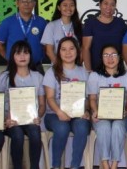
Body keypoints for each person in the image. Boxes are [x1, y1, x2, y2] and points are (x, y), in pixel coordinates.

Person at [0, 40, 45, 169]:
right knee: (17, 135)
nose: (22, 56)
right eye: (18, 53)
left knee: (35, 132)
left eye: (26, 53)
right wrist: (5, 120)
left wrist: (38, 116)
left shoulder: (38, 77)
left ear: (30, 55)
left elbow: (42, 104)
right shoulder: (4, 77)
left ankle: (35, 167)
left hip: (30, 120)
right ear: (12, 56)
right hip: (11, 121)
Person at [43, 37, 90, 168]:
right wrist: (59, 112)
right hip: (54, 114)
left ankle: (75, 165)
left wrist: (85, 110)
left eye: (71, 49)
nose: (68, 53)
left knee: (82, 127)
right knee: (62, 128)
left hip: (77, 114)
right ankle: (56, 165)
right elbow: (50, 98)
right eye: (63, 49)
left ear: (77, 51)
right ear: (59, 53)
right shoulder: (51, 72)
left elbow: (86, 98)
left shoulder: (83, 72)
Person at [88, 44, 127, 169]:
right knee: (104, 127)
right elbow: (92, 99)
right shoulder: (95, 76)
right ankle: (105, 163)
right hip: (101, 115)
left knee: (118, 127)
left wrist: (126, 111)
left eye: (113, 55)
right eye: (106, 55)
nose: (110, 58)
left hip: (121, 116)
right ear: (101, 58)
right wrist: (95, 111)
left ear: (119, 57)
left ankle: (114, 164)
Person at [0, 0, 47, 73]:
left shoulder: (41, 22)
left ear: (34, 3)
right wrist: (9, 57)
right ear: (17, 3)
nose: (26, 4)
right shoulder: (7, 22)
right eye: (23, 1)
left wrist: (40, 56)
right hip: (14, 67)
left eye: (29, 1)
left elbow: (46, 45)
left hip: (36, 66)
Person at [82, 0, 127, 71]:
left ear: (115, 7)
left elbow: (126, 47)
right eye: (105, 3)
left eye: (112, 5)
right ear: (100, 5)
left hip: (116, 70)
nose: (109, 7)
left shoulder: (120, 23)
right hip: (96, 70)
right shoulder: (90, 23)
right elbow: (86, 48)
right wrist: (89, 71)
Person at [41, 0, 82, 64]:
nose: (68, 8)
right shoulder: (51, 26)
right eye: (65, 5)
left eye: (72, 5)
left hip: (75, 68)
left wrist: (77, 66)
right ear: (59, 7)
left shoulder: (80, 26)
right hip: (58, 69)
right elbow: (49, 51)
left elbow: (82, 49)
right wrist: (60, 67)